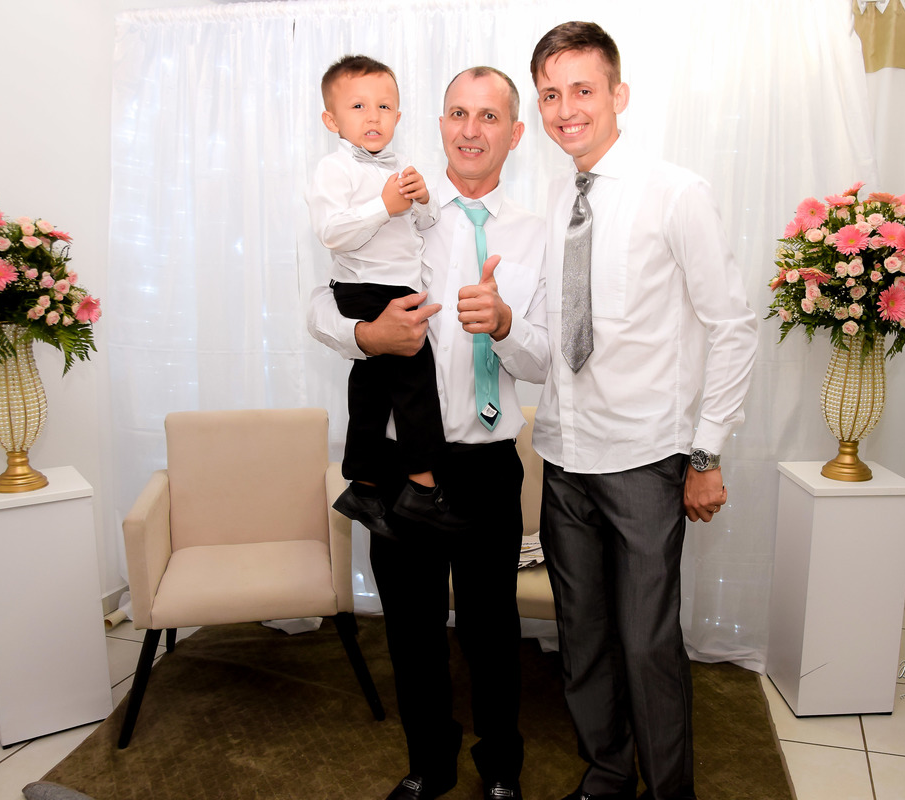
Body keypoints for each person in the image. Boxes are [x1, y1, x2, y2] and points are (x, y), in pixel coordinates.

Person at [528, 22, 758, 800]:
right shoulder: (555, 197)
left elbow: (732, 326)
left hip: (644, 461)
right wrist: (504, 326)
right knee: (582, 639)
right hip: (563, 455)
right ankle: (606, 774)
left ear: (617, 94)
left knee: (647, 647)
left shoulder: (676, 193)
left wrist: (707, 452)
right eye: (551, 94)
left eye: (582, 90)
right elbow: (554, 338)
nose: (567, 109)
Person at [308, 65, 548, 800]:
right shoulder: (397, 201)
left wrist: (505, 326)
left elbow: (545, 360)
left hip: (487, 464)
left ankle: (501, 768)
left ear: (515, 132)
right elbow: (319, 301)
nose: (471, 130)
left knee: (491, 631)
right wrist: (365, 335)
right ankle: (428, 765)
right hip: (399, 460)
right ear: (439, 124)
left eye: (489, 116)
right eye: (458, 114)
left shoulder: (538, 233)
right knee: (411, 631)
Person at [308, 54, 464, 536]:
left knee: (372, 389)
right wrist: (383, 205)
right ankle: (422, 489)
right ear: (331, 120)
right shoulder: (334, 168)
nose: (372, 116)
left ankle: (364, 485)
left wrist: (423, 200)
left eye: (383, 106)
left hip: (396, 287)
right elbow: (331, 232)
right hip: (365, 289)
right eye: (358, 106)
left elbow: (425, 225)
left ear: (398, 116)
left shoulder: (401, 169)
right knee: (415, 384)